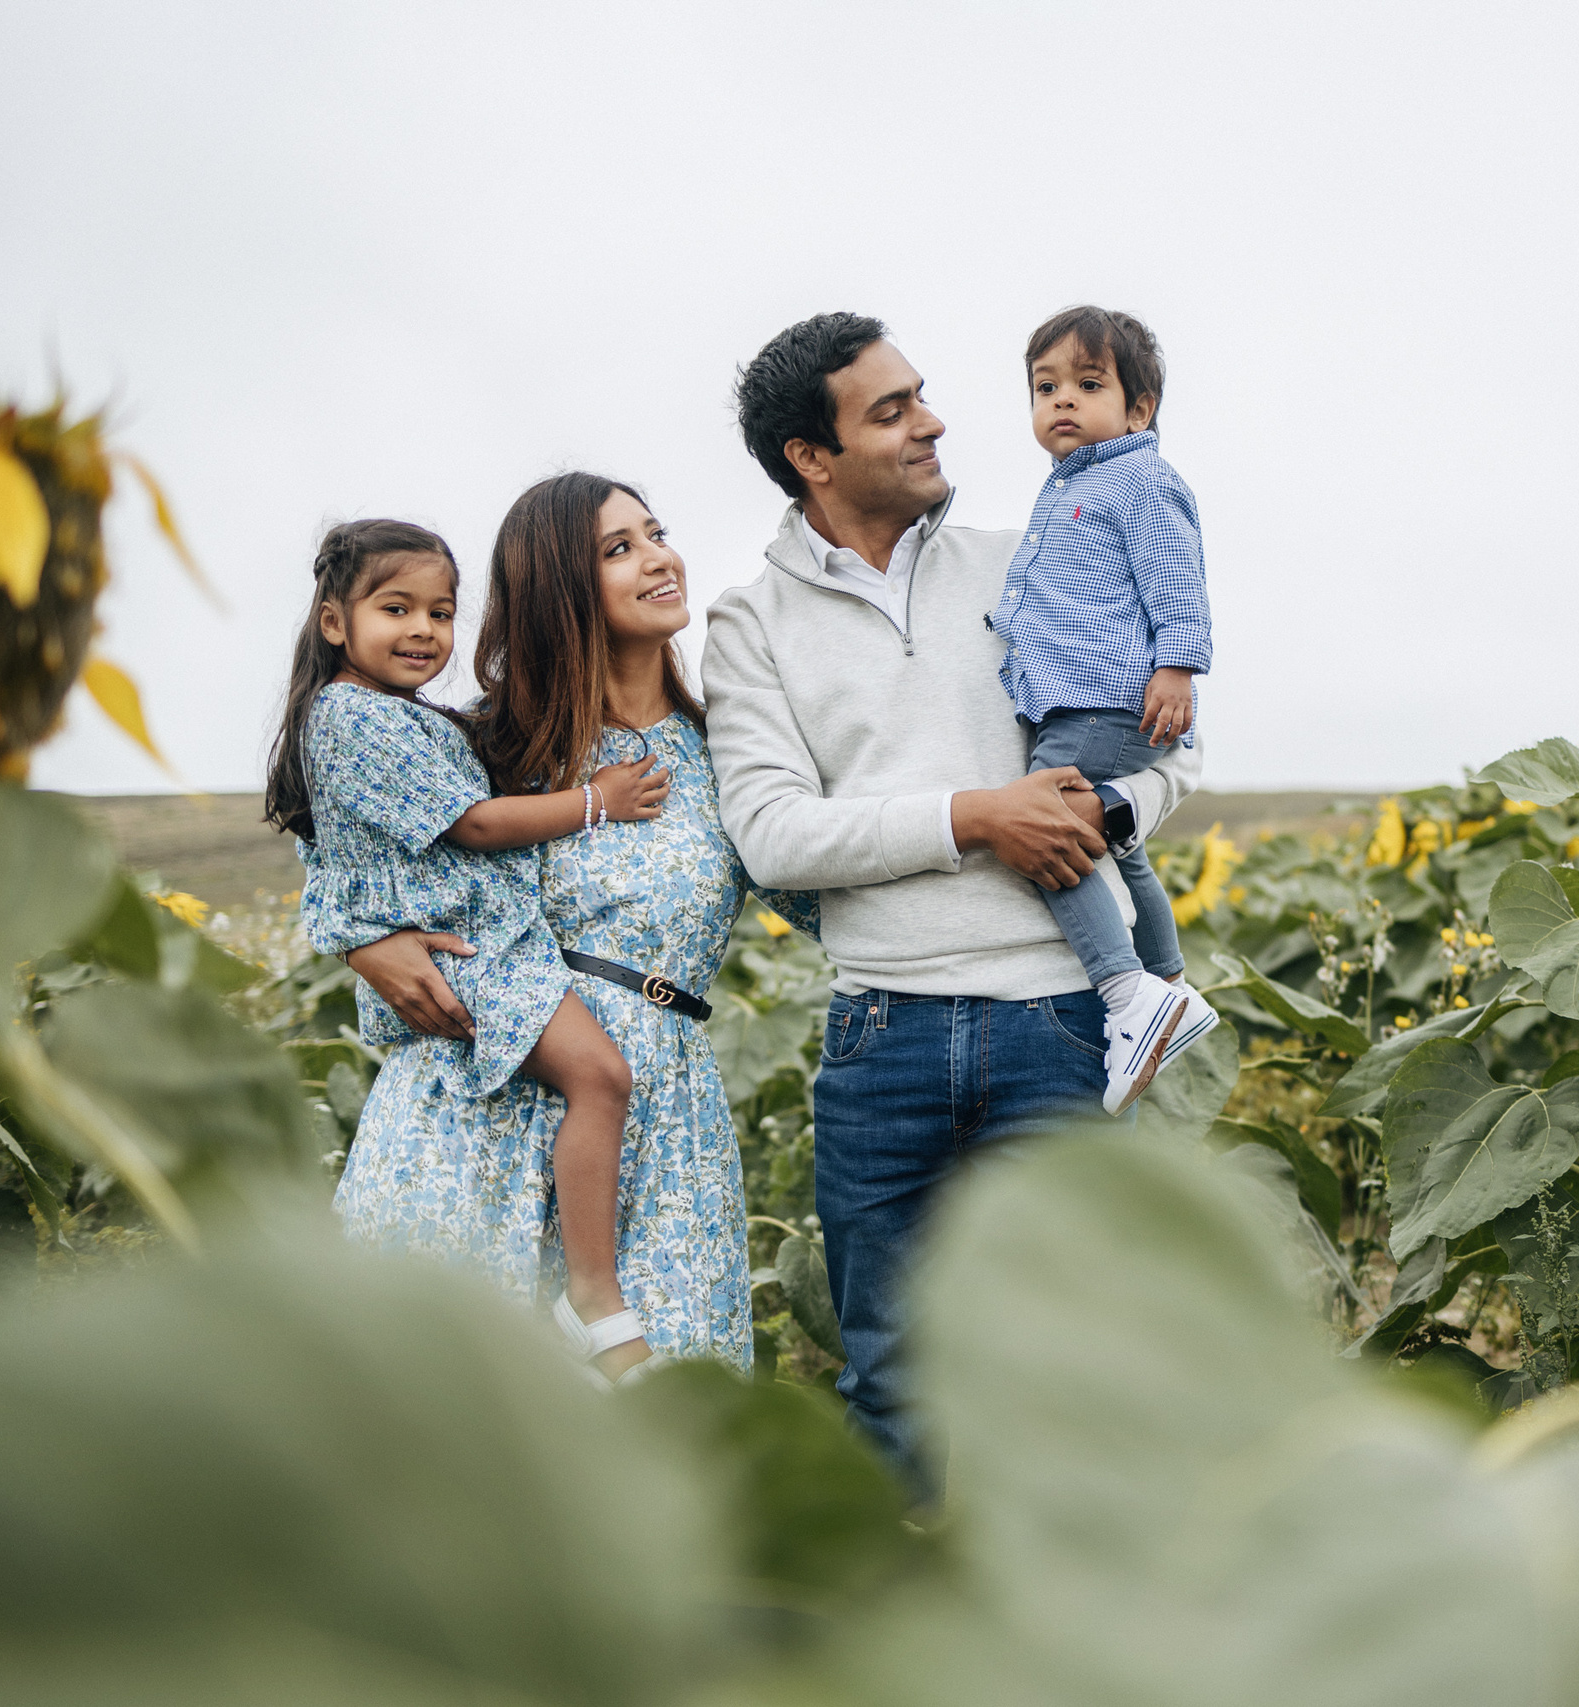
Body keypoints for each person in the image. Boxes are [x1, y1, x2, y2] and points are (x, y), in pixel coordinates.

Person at [707, 311, 1200, 1491]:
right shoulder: (749, 625)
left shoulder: (1030, 554)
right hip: (885, 1035)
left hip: (1064, 1026)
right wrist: (976, 816)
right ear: (809, 458)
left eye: (921, 394)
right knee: (893, 1378)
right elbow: (774, 837)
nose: (932, 421)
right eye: (890, 410)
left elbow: (1169, 749)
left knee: (1072, 1369)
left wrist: (1104, 817)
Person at [336, 477, 816, 1378]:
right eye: (618, 548)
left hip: (663, 1118)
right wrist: (365, 942)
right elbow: (355, 843)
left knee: (667, 1431)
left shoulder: (727, 753)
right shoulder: (487, 746)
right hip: (477, 1110)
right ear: (558, 586)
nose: (659, 556)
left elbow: (832, 892)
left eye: (657, 533)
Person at [265, 518, 652, 1380]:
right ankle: (593, 1292)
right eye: (396, 607)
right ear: (335, 622)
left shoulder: (397, 718)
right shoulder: (352, 717)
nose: (423, 631)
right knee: (600, 1075)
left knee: (587, 1082)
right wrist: (599, 801)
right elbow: (474, 824)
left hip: (469, 947)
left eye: (441, 613)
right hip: (475, 953)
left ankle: (585, 1286)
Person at [990, 305, 1220, 1114]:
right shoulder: (1073, 485)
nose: (1061, 402)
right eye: (1045, 387)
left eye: (1087, 385)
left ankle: (1126, 994)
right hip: (1079, 700)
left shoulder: (1139, 478)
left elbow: (1177, 581)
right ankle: (1169, 983)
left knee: (1042, 831)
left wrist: (1179, 666)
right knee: (1119, 845)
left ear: (1138, 408)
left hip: (1101, 702)